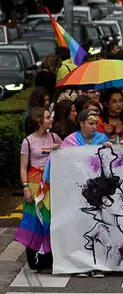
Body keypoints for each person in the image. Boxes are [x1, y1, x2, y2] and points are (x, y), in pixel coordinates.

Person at [14, 108, 61, 271]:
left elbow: (67, 154)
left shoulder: (55, 137)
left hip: (51, 183)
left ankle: (49, 258)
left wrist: (58, 150)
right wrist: (25, 187)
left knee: (50, 220)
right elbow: (23, 168)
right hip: (34, 184)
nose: (51, 120)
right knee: (35, 221)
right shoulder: (28, 141)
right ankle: (34, 260)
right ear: (39, 121)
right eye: (48, 117)